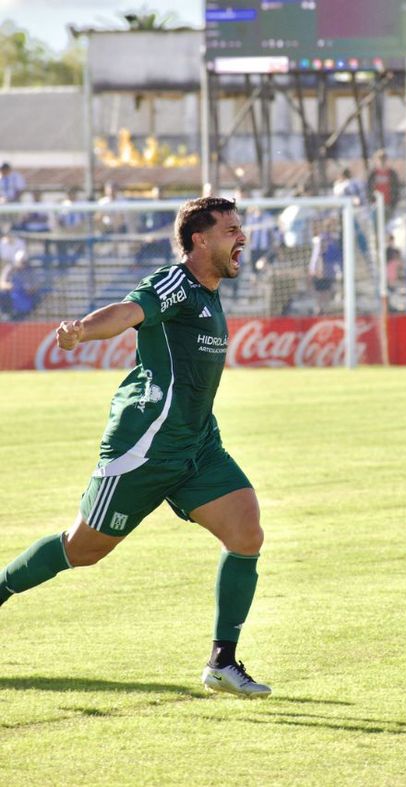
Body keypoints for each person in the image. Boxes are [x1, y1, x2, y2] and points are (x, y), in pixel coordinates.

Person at [0, 196, 272, 696]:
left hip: (196, 445)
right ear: (200, 239)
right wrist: (82, 330)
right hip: (143, 448)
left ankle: (221, 662)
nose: (243, 237)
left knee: (246, 533)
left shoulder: (211, 293)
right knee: (82, 550)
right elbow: (131, 310)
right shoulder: (177, 283)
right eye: (232, 229)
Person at [308, 218, 342, 314]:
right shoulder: (322, 239)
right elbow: (316, 255)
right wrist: (313, 269)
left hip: (328, 270)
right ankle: (319, 310)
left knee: (326, 292)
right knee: (321, 293)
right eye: (331, 226)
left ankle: (323, 310)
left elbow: (337, 256)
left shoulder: (334, 240)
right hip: (322, 270)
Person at [366, 150, 402, 217]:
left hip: (389, 205)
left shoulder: (392, 174)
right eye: (380, 159)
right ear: (376, 160)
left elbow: (396, 189)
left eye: (384, 159)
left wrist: (394, 203)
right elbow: (368, 189)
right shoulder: (373, 174)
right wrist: (371, 201)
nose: (382, 161)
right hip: (375, 205)